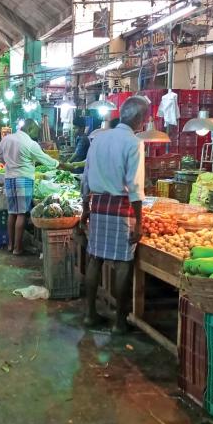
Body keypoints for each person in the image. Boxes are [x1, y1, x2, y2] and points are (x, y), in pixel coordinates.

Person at [81, 96, 149, 334]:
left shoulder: (98, 138)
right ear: (141, 119)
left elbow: (85, 176)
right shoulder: (134, 143)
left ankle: (90, 315)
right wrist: (139, 222)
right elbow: (135, 186)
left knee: (94, 259)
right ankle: (119, 322)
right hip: (121, 208)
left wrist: (85, 207)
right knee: (122, 264)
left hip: (98, 205)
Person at [0, 119, 64, 255]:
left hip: (9, 178)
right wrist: (60, 164)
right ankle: (17, 248)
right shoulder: (30, 144)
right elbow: (45, 159)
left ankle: (10, 245)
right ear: (31, 128)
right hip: (24, 180)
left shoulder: (7, 139)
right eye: (35, 130)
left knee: (12, 212)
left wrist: (10, 163)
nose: (36, 134)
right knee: (21, 213)